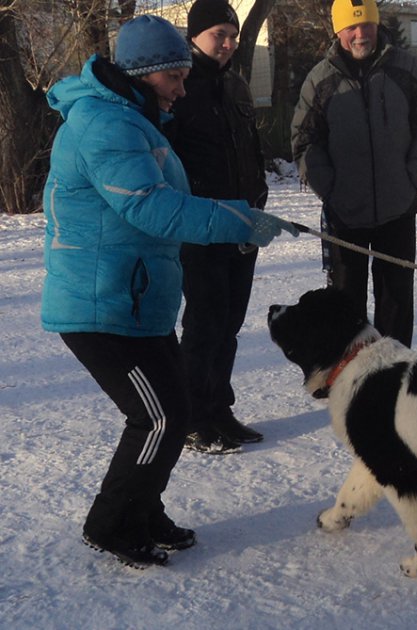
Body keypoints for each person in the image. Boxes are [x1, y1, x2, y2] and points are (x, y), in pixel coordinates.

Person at [42, 14, 296, 568]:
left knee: (175, 411)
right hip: (99, 303)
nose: (182, 89)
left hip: (134, 298)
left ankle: (142, 509)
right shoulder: (104, 123)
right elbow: (151, 208)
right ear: (141, 73)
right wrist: (239, 220)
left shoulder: (135, 118)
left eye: (183, 77)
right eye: (174, 78)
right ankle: (110, 524)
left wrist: (240, 214)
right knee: (156, 417)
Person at [291, 0, 417, 348]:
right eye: (352, 27)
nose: (361, 34)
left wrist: (410, 182)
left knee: (396, 302)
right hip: (345, 215)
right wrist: (331, 190)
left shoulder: (406, 69)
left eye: (367, 25)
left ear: (377, 25)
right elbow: (304, 140)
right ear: (338, 31)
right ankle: (351, 372)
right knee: (344, 307)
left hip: (398, 209)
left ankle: (394, 371)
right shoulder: (320, 79)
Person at [166, 0, 268, 454]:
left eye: (232, 35)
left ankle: (219, 409)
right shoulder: (180, 87)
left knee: (229, 324)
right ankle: (192, 417)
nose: (227, 44)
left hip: (243, 223)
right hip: (200, 228)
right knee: (204, 325)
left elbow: (252, 148)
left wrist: (259, 196)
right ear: (194, 37)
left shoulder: (237, 85)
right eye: (218, 35)